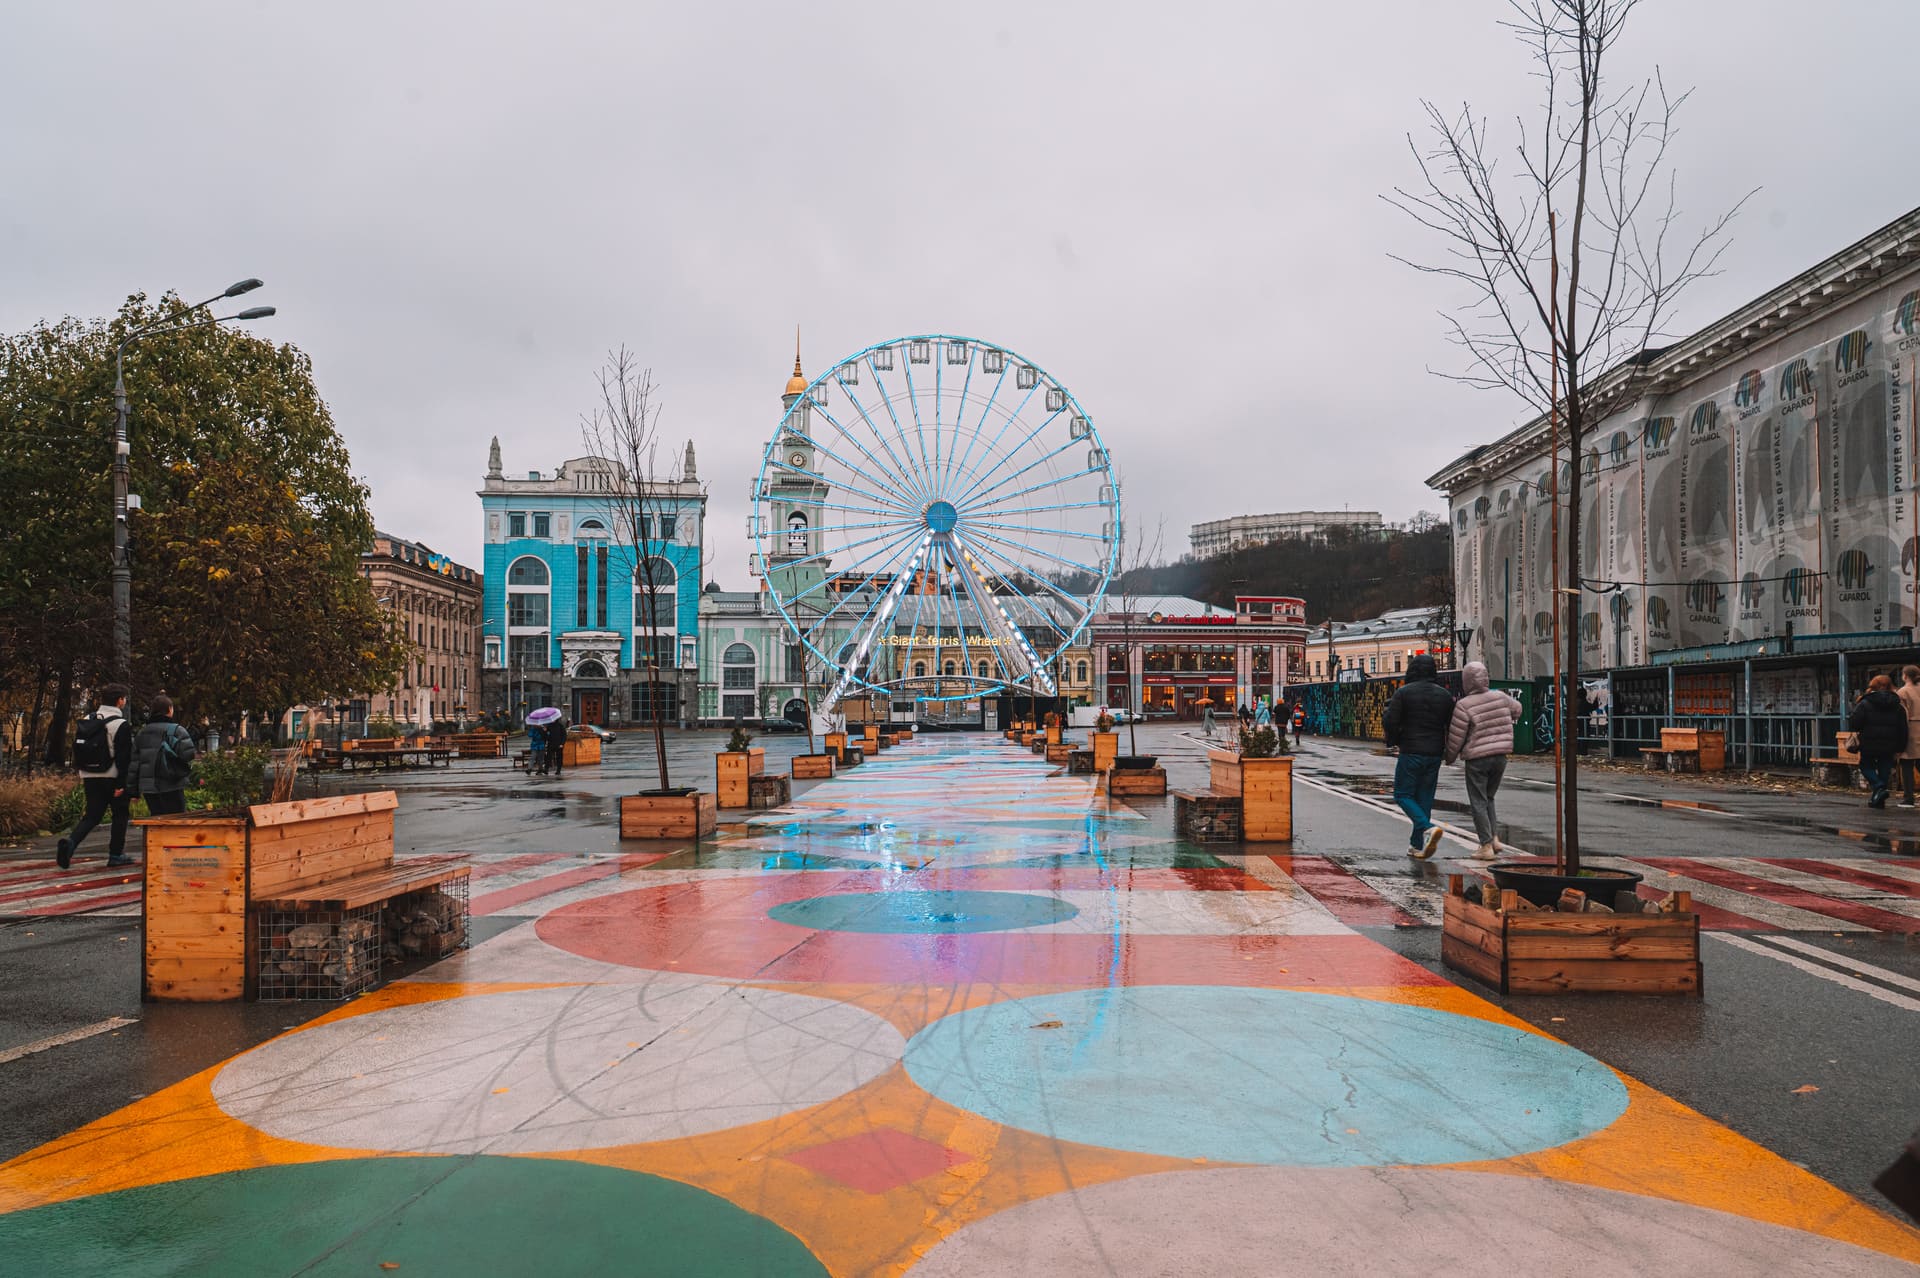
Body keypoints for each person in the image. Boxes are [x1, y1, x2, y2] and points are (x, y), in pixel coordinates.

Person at [1444, 662, 1522, 861]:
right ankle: (1494, 838)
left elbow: (1456, 736)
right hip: (1501, 756)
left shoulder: (1464, 705)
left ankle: (1485, 845)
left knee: (1478, 800)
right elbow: (1518, 709)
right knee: (1489, 798)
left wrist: (1450, 757)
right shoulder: (1500, 697)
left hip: (1478, 759)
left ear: (1467, 681)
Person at [1383, 654, 1456, 859]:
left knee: (1403, 795)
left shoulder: (1403, 693)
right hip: (1434, 753)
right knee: (1424, 798)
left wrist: (1395, 740)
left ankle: (1427, 827)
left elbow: (1391, 721)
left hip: (1411, 750)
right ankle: (1416, 845)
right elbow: (1451, 724)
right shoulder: (1444, 695)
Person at [57, 684, 135, 869]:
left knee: (92, 815)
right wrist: (121, 784)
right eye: (124, 698)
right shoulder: (120, 724)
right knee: (120, 814)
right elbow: (124, 757)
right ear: (119, 700)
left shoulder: (87, 719)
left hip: (90, 774)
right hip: (112, 775)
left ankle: (71, 843)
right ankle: (116, 854)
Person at [128, 694, 198, 817]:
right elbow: (188, 754)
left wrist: (133, 791)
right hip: (172, 783)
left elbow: (134, 764)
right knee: (177, 821)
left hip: (149, 788)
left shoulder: (142, 733)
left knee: (156, 820)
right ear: (170, 709)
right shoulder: (177, 730)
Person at [1849, 674, 1907, 809]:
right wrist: (1901, 746)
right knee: (1884, 769)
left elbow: (1855, 723)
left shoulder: (1864, 702)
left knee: (1865, 765)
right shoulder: (1897, 705)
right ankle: (1878, 800)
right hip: (1890, 743)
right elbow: (1903, 727)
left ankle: (1878, 787)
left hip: (1869, 742)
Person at [1898, 665, 1920, 808]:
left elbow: (1902, 715)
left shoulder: (1902, 692)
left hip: (1911, 729)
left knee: (1906, 763)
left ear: (1905, 676)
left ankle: (1908, 798)